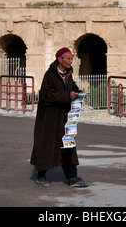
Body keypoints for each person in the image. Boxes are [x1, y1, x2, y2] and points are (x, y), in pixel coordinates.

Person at [30, 47, 88, 188]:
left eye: (71, 58)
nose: (70, 61)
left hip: (64, 117)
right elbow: (47, 96)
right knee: (47, 146)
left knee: (68, 145)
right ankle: (41, 175)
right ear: (59, 59)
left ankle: (72, 177)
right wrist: (67, 96)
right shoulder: (50, 75)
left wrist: (77, 93)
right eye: (68, 58)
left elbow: (71, 87)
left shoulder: (68, 73)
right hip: (50, 118)